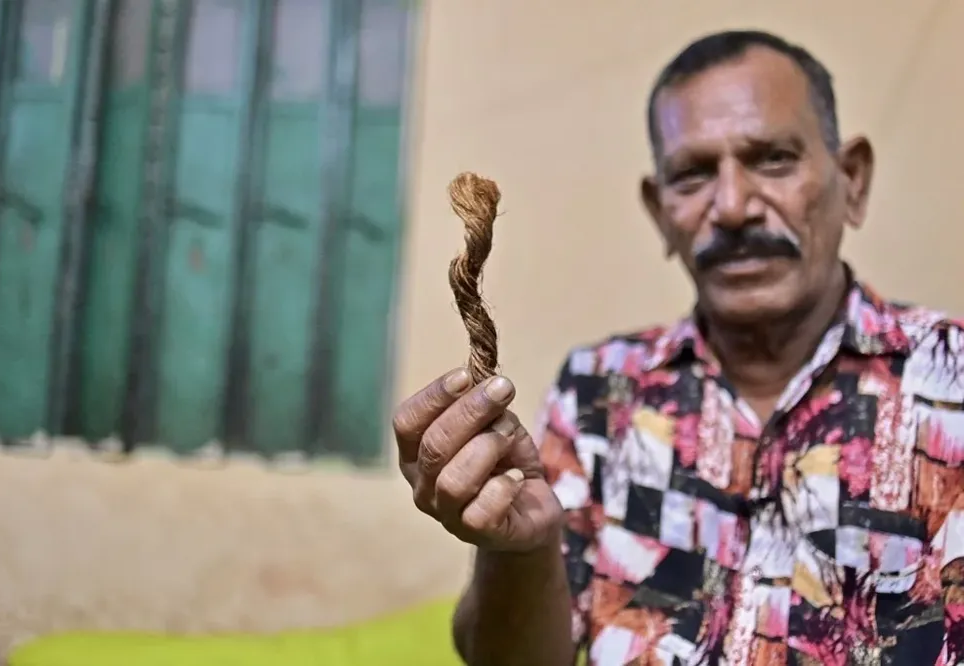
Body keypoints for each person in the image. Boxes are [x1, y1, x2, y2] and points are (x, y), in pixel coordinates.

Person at [393, 29, 964, 665]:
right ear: (659, 210)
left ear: (851, 180)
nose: (732, 206)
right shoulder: (600, 394)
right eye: (692, 175)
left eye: (773, 158)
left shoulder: (953, 383)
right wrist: (520, 550)